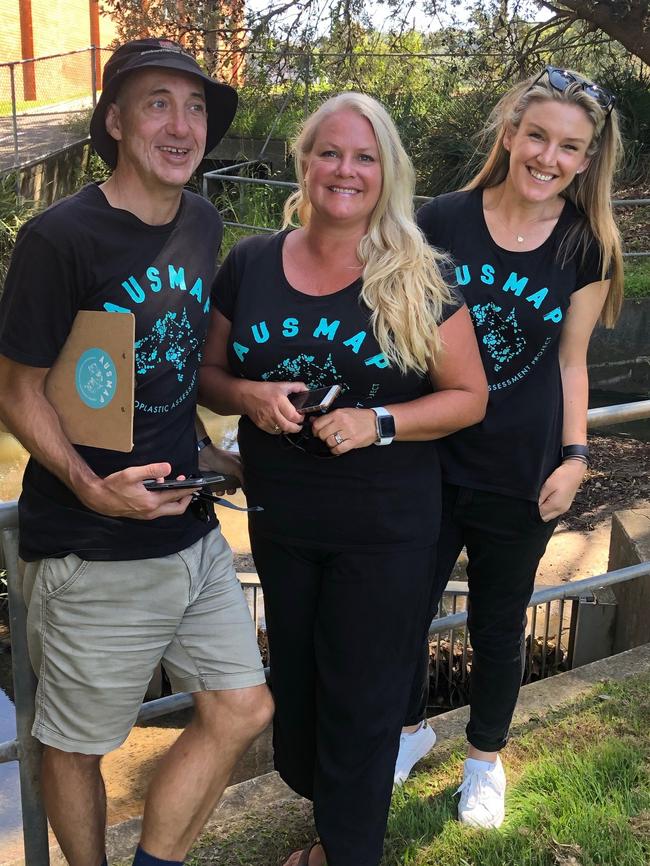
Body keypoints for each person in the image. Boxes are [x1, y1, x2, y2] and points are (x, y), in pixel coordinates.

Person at [0, 38, 273, 866]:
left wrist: (215, 455)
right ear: (115, 121)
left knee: (244, 706)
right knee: (80, 744)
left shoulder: (203, 220)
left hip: (189, 529)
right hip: (93, 546)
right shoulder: (59, 238)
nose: (181, 124)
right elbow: (17, 390)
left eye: (194, 107)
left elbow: (165, 363)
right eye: (157, 103)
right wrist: (88, 486)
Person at [199, 92, 488, 866]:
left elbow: (469, 396)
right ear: (304, 160)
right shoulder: (252, 261)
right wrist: (248, 397)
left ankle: (347, 849)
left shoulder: (419, 274)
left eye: (365, 157)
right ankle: (332, 820)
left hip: (386, 526)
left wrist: (379, 422)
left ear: (387, 171)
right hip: (283, 521)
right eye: (331, 152)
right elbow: (209, 373)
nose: (345, 170)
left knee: (361, 698)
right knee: (299, 689)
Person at [394, 65, 624, 827]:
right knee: (399, 609)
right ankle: (406, 731)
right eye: (538, 136)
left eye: (569, 147)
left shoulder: (584, 246)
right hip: (426, 459)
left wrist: (575, 459)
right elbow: (403, 333)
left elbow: (571, 362)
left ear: (586, 161)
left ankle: (484, 761)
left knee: (499, 623)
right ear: (511, 133)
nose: (548, 157)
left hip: (520, 474)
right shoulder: (442, 220)